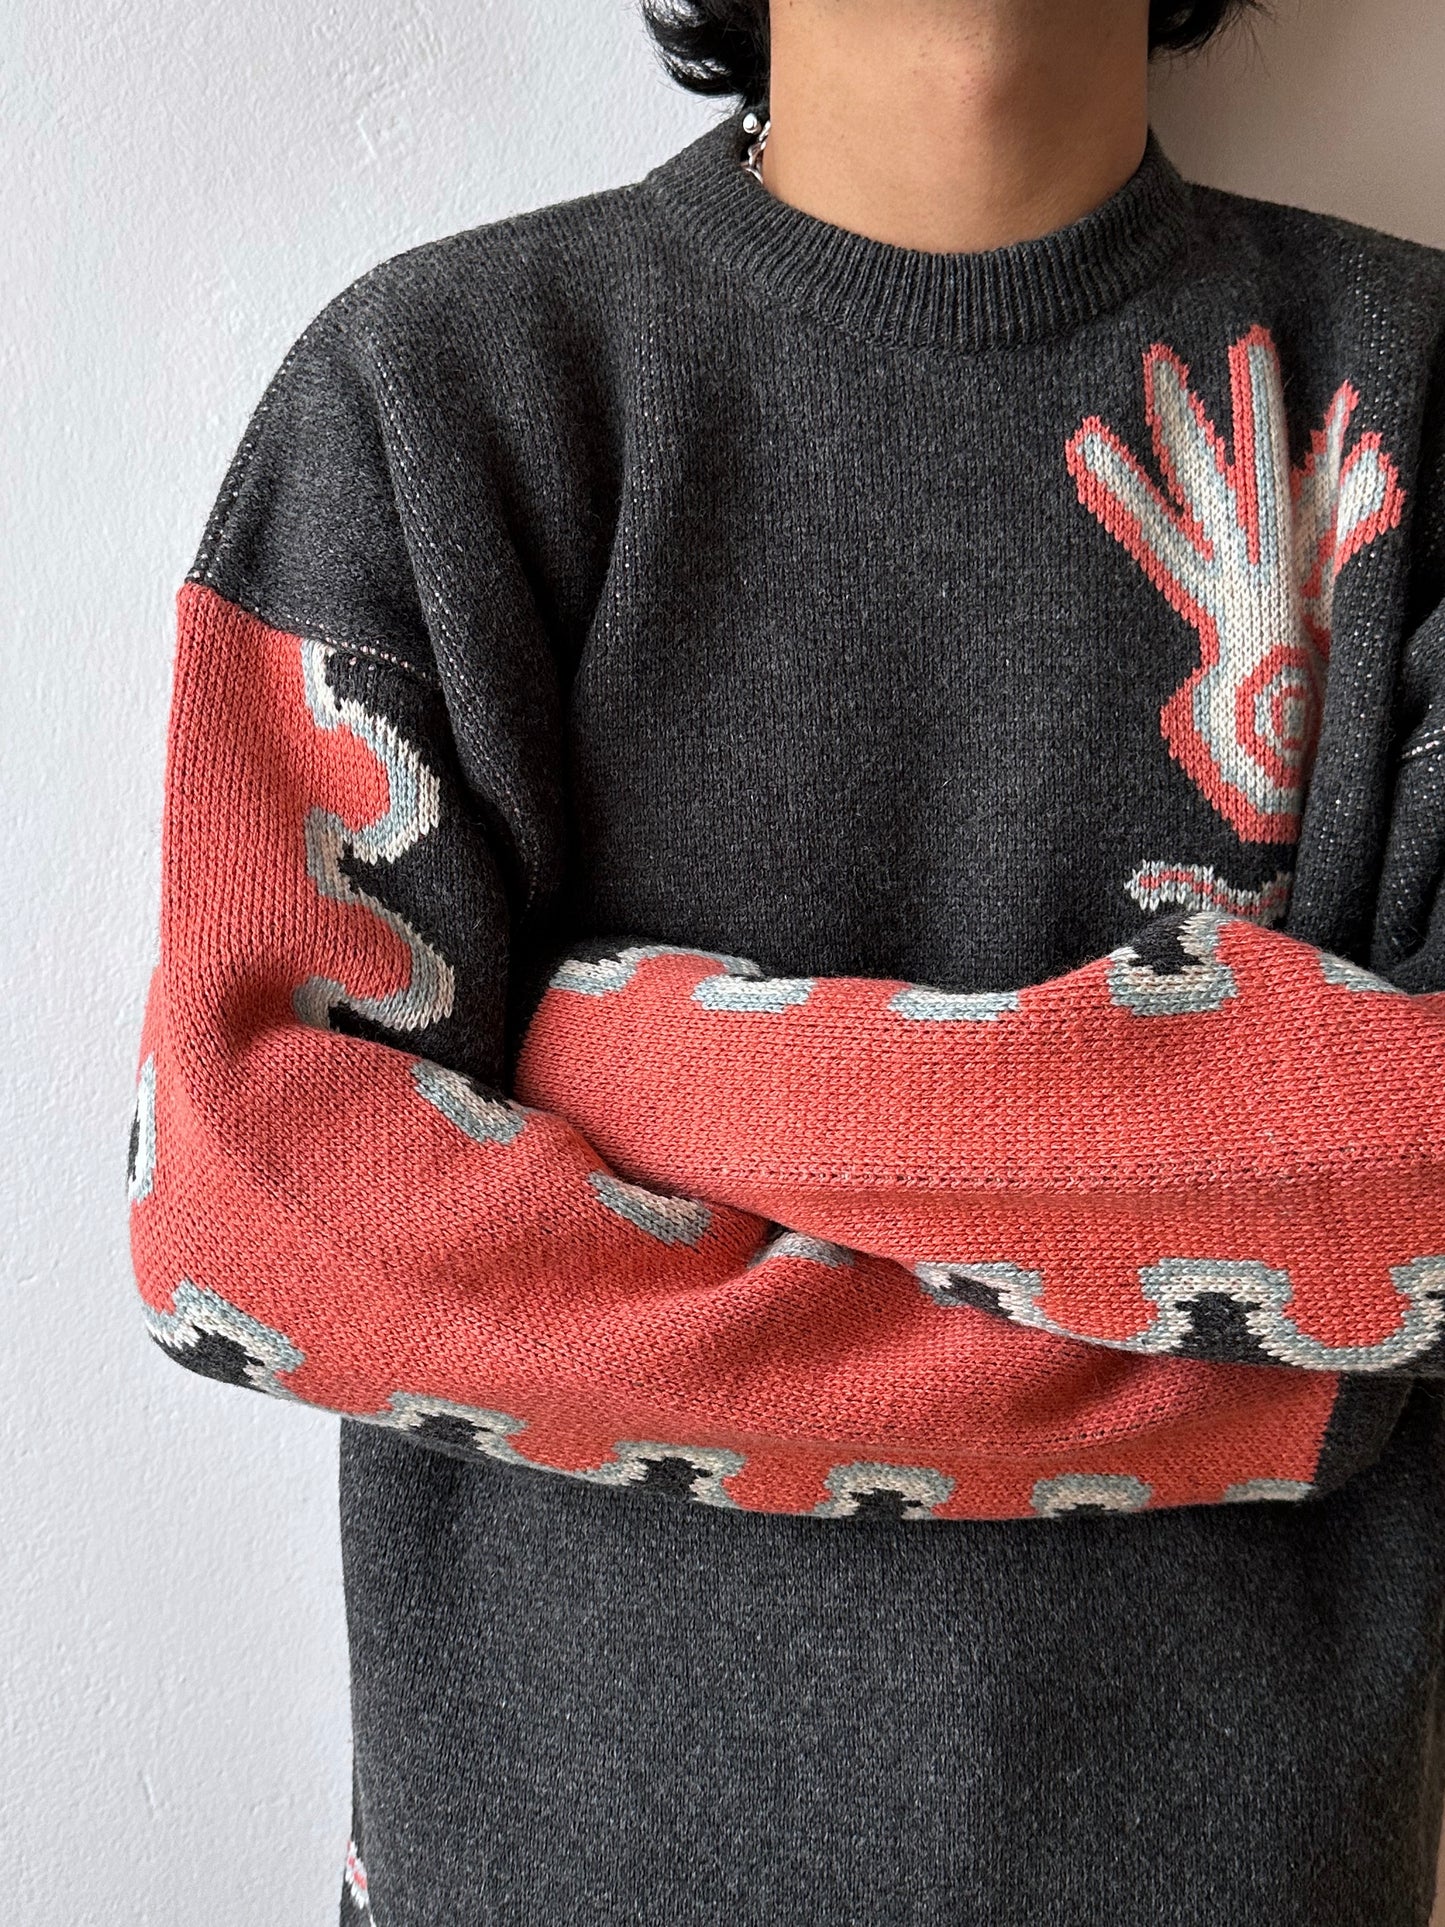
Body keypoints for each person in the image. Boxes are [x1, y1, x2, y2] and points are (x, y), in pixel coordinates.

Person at [128, 0, 1445, 1920]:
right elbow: (247, 1211)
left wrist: (649, 1063)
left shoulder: (1415, 389)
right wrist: (1262, 1373)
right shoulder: (444, 390)